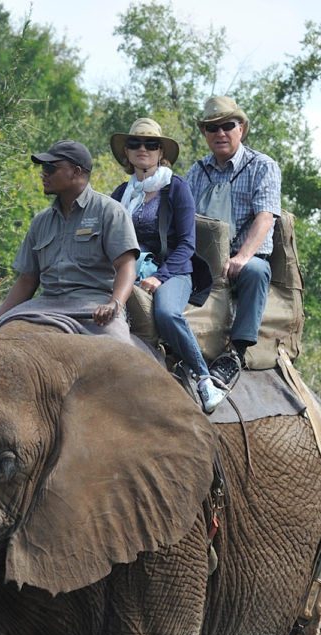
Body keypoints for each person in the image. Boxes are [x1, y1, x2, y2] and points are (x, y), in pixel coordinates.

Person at [0, 140, 138, 340]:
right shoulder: (41, 221)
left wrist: (114, 304)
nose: (44, 173)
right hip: (43, 306)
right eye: (43, 168)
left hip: (91, 307)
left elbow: (126, 266)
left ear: (75, 172)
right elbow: (27, 280)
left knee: (118, 351)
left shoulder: (110, 211)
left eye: (50, 167)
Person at [108, 117, 222, 413]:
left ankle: (203, 378)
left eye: (151, 144)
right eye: (135, 143)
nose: (142, 149)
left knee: (167, 313)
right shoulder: (121, 194)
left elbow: (187, 243)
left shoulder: (176, 188)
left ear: (161, 153)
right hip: (128, 270)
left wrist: (160, 277)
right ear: (127, 153)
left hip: (173, 269)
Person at [181, 95, 282, 388]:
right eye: (212, 128)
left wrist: (241, 257)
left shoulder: (261, 166)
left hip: (242, 258)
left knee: (256, 271)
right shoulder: (196, 171)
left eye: (227, 125)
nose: (220, 133)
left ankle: (235, 353)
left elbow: (265, 218)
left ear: (241, 128)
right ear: (204, 134)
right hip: (202, 261)